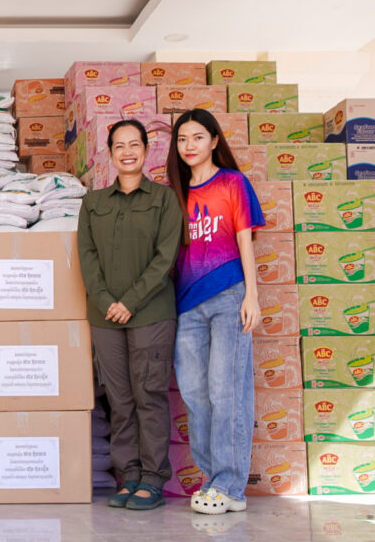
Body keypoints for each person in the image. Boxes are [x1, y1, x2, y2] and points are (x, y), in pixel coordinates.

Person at [77, 119, 183, 511]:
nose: (127, 152)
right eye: (119, 146)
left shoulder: (164, 200)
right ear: (109, 153)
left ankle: (153, 479)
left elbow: (165, 258)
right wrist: (106, 300)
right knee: (119, 400)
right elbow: (87, 257)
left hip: (151, 313)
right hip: (104, 316)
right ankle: (130, 476)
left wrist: (130, 302)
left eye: (134, 144)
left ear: (146, 150)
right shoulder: (93, 204)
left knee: (148, 395)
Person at [165, 109, 264, 515]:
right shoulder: (173, 193)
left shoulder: (232, 183)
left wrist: (252, 296)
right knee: (194, 394)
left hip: (228, 296)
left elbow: (245, 241)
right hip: (186, 304)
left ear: (214, 141)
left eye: (197, 137)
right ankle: (214, 480)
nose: (189, 146)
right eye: (182, 139)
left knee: (227, 390)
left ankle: (229, 485)